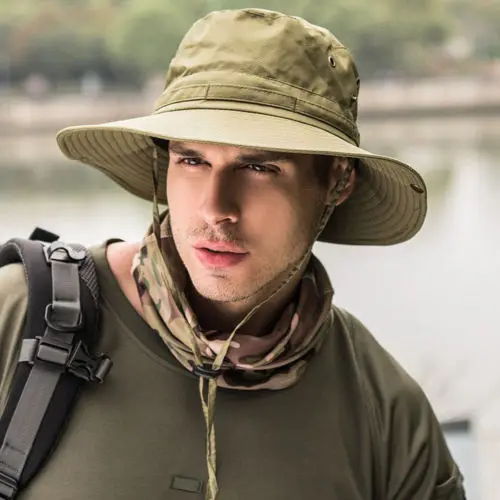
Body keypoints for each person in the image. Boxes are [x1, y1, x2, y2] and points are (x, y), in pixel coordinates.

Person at [0, 8, 465, 500]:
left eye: (259, 167)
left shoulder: (384, 409)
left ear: (337, 181)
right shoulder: (19, 317)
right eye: (192, 160)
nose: (216, 208)